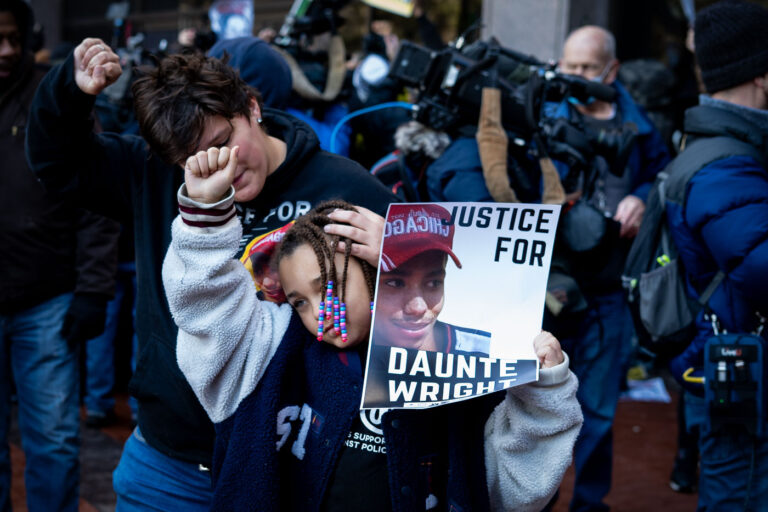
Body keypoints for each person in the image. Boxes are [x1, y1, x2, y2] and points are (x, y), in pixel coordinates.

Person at [26, 38, 395, 510]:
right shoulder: (152, 176)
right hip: (170, 463)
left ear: (253, 107)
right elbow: (55, 163)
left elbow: (441, 287)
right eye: (190, 158)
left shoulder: (342, 184)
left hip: (290, 464)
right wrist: (70, 90)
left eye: (222, 142)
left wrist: (400, 252)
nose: (218, 166)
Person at [162, 158, 583, 510]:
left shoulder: (452, 361)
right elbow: (207, 308)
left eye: (331, 286)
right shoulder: (271, 353)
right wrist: (205, 216)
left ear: (374, 272)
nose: (318, 314)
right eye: (299, 302)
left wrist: (543, 390)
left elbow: (516, 488)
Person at [544, 26, 671, 512]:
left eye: (585, 68)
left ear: (610, 70)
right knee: (539, 404)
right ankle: (538, 500)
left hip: (612, 289)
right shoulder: (543, 115)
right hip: (551, 287)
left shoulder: (639, 125)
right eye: (567, 66)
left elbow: (662, 174)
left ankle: (590, 504)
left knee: (598, 410)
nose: (574, 77)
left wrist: (642, 196)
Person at [0, 1, 119, 510]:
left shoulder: (55, 98)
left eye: (13, 37)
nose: (6, 50)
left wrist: (94, 287)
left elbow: (98, 197)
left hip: (46, 300)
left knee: (53, 441)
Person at [664, 1, 768, 508]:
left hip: (740, 359)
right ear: (763, 76)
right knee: (741, 493)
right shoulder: (725, 164)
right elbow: (762, 268)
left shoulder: (721, 148)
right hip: (743, 366)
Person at [373, 203, 491, 355]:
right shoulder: (344, 357)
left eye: (433, 283)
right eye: (396, 283)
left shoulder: (484, 350)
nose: (418, 308)